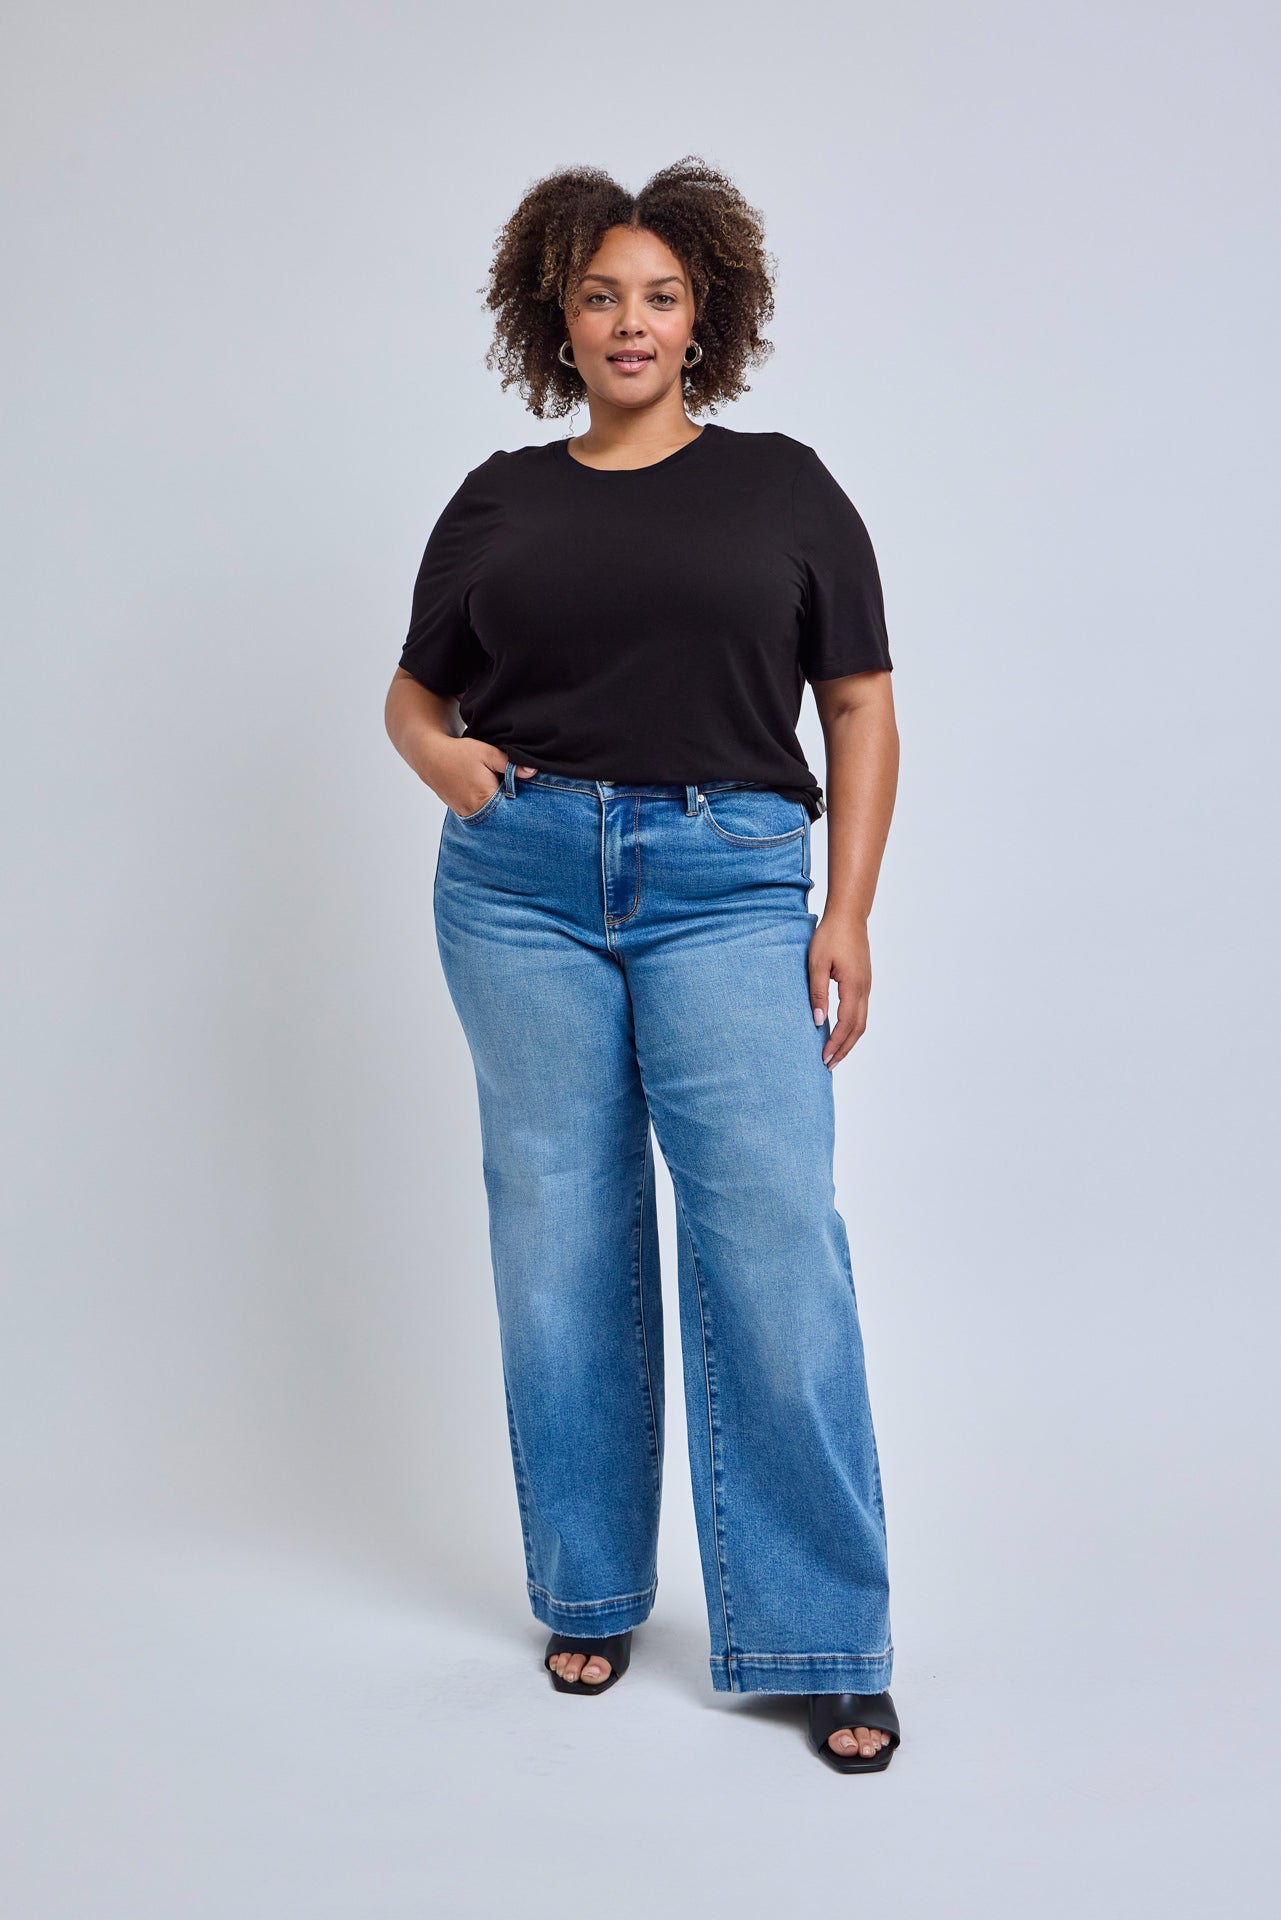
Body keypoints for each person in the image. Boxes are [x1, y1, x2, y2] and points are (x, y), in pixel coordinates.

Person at [383, 158, 902, 1774]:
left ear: (705, 319)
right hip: (519, 883)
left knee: (769, 1232)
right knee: (558, 1234)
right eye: (601, 293)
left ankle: (823, 1636)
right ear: (559, 312)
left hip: (729, 881)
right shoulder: (498, 498)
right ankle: (592, 1591)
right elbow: (411, 697)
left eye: (660, 296)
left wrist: (847, 910)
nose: (630, 320)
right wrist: (445, 765)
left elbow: (862, 709)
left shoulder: (784, 488)